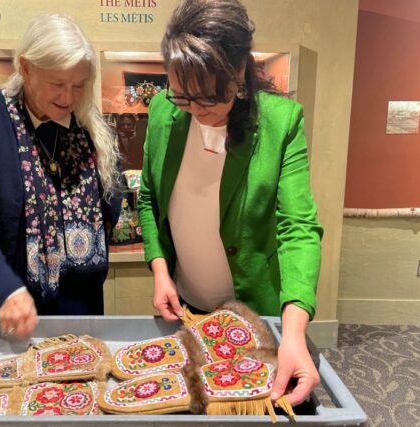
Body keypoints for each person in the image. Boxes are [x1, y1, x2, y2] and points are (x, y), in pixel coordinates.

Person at [138, 0, 324, 408]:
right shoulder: (161, 111)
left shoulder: (281, 123)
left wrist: (293, 333)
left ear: (240, 72)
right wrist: (160, 269)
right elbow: (150, 196)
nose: (197, 112)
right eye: (183, 97)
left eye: (209, 98)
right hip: (186, 308)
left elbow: (299, 229)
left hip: (257, 316)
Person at [0, 14, 121, 338]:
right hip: (15, 301)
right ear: (26, 68)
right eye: (58, 84)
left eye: (79, 84)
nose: (69, 97)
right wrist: (5, 290)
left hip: (80, 300)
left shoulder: (85, 119)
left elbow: (113, 188)